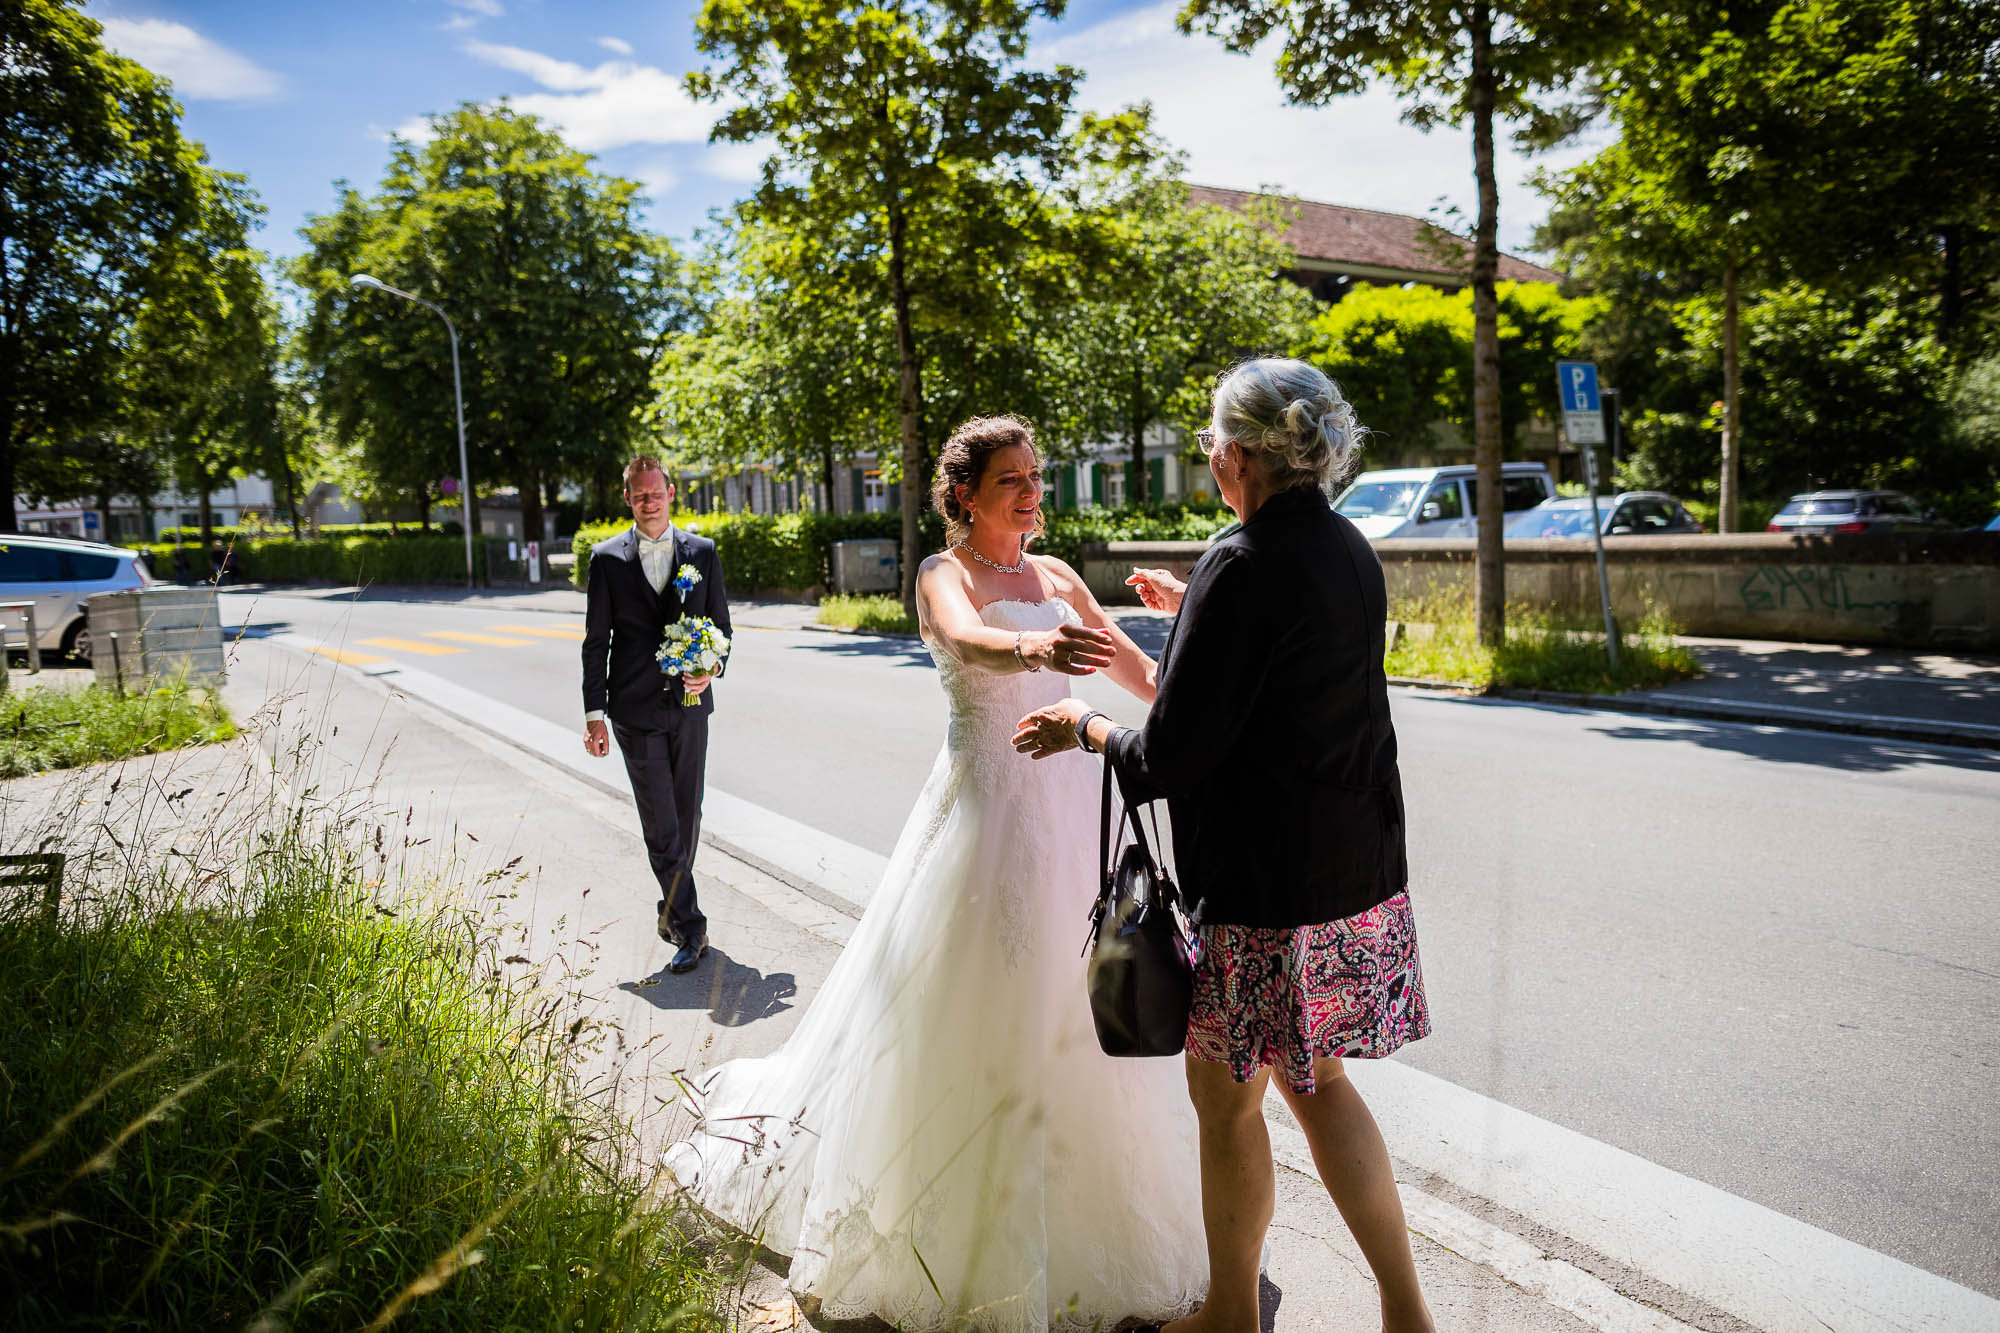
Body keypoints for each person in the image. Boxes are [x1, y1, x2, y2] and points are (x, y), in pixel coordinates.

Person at [663, 416, 1207, 1332]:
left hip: (1075, 809)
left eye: (1036, 477)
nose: (1031, 493)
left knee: (1091, 1005)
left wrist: (1193, 650)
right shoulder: (942, 575)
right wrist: (1036, 649)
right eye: (1011, 482)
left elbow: (1145, 676)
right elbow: (966, 642)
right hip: (985, 817)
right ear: (964, 494)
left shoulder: (1063, 577)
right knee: (978, 1007)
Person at [1014, 358, 1436, 1333]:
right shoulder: (1344, 545)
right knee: (1320, 1082)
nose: (1211, 461)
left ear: (1237, 457)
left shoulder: (1238, 563)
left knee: (1226, 1099)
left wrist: (1080, 725)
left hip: (1261, 889)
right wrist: (1189, 612)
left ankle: (1231, 1317)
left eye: (1213, 445)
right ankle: (1406, 1313)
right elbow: (1280, 679)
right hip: (1354, 873)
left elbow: (1170, 757)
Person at [581, 456, 732, 975]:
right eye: (639, 494)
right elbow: (595, 641)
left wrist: (711, 667)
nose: (649, 500)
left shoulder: (703, 553)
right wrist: (594, 713)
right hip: (633, 709)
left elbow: (722, 629)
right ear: (627, 498)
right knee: (661, 824)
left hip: (691, 707)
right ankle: (691, 927)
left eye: (656, 492)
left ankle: (670, 912)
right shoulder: (605, 559)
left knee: (688, 815)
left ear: (671, 492)